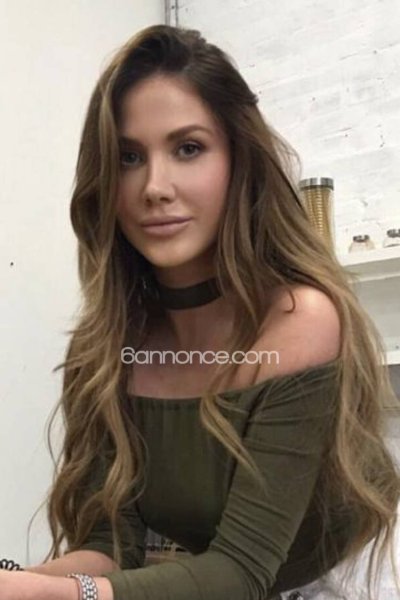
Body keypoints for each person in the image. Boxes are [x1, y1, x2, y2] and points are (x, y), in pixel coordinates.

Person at [1, 24, 399, 600]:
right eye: (129, 157)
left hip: (342, 579)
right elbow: (111, 546)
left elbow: (241, 569)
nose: (155, 187)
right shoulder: (106, 349)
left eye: (188, 148)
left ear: (239, 160)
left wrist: (43, 593)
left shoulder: (300, 322)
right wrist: (20, 581)